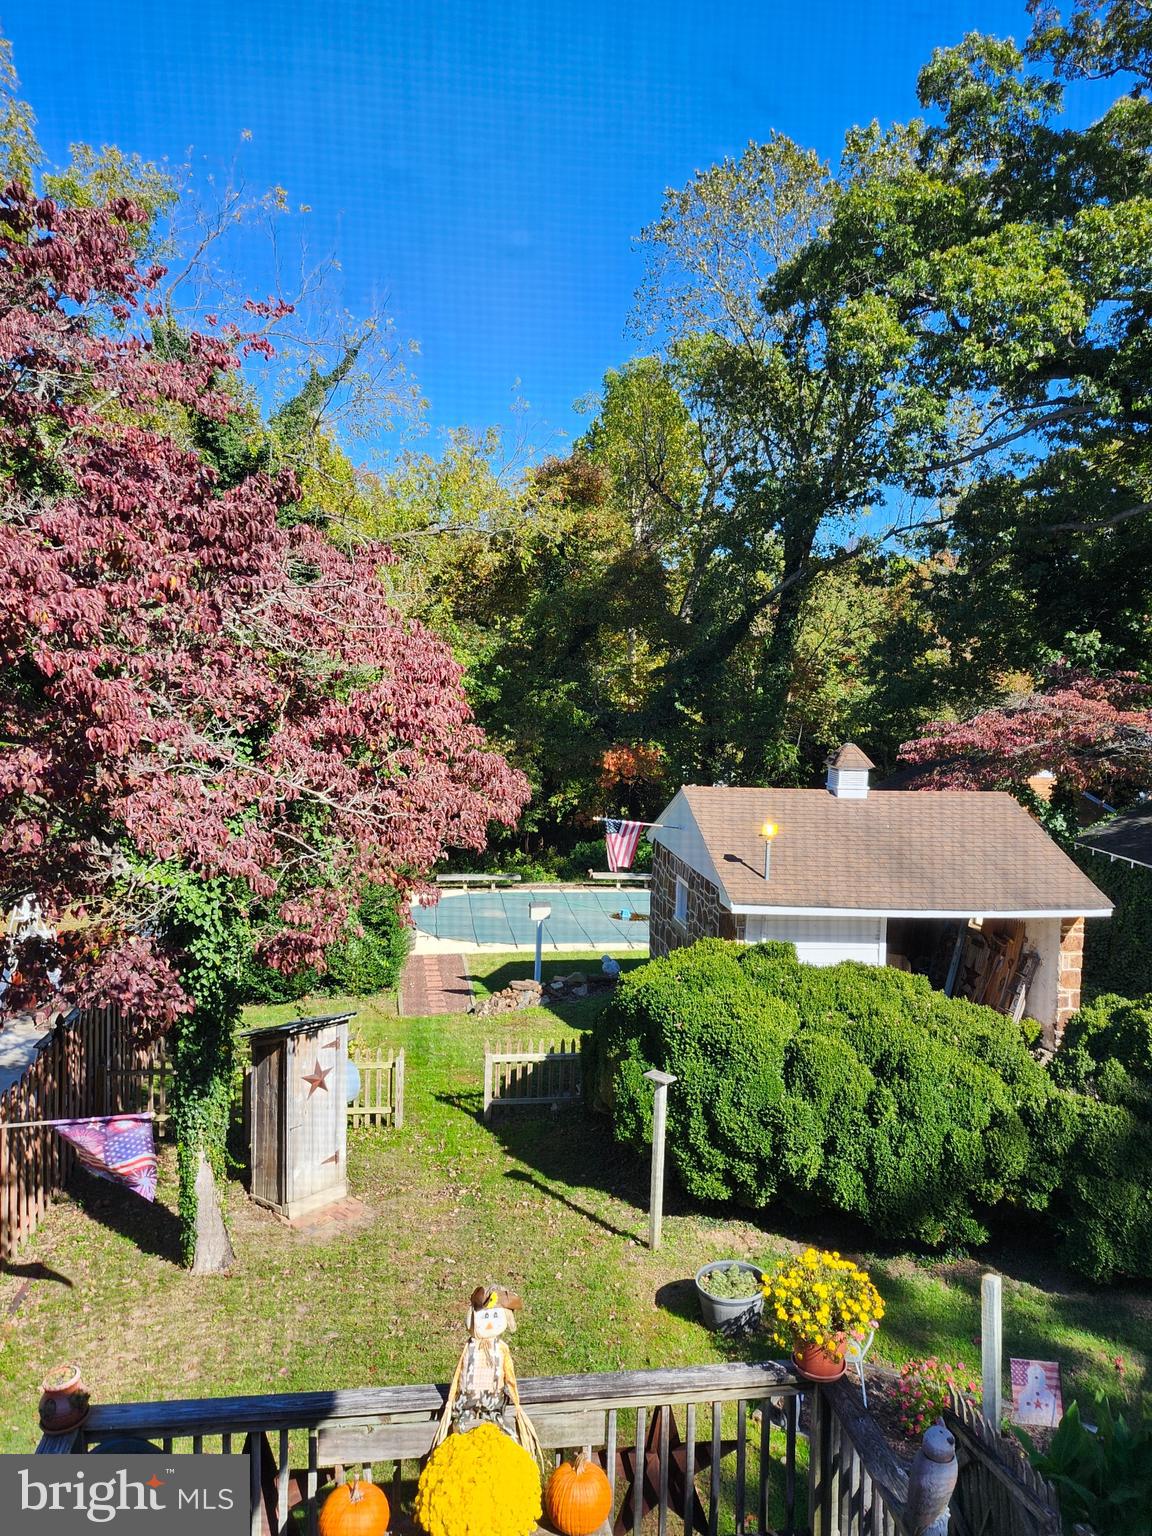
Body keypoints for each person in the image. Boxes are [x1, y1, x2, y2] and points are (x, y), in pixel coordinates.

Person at [433, 1286, 543, 1463]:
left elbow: (509, 1376)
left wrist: (516, 1401)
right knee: (461, 1433)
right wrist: (451, 1403)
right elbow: (458, 1376)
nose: (490, 1322)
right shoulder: (470, 1348)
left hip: (494, 1399)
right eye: (485, 1316)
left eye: (494, 1316)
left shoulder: (500, 1349)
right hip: (468, 1399)